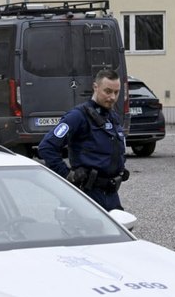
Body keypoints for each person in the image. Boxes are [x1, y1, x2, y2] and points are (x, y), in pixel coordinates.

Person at [37, 68, 129, 211]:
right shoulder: (78, 116)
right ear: (95, 87)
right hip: (87, 194)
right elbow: (47, 147)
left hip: (111, 194)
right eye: (108, 91)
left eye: (116, 92)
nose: (112, 97)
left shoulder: (112, 117)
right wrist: (67, 175)